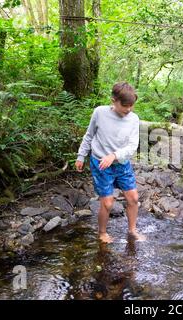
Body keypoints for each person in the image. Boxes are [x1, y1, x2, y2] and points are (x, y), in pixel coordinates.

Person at [75, 82, 145, 243]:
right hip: (100, 163)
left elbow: (132, 145)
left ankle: (132, 230)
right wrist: (81, 156)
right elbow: (89, 135)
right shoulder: (99, 112)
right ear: (114, 100)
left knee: (133, 198)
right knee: (107, 203)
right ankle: (102, 233)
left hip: (121, 163)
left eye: (131, 106)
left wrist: (114, 155)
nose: (128, 109)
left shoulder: (133, 119)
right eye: (125, 105)